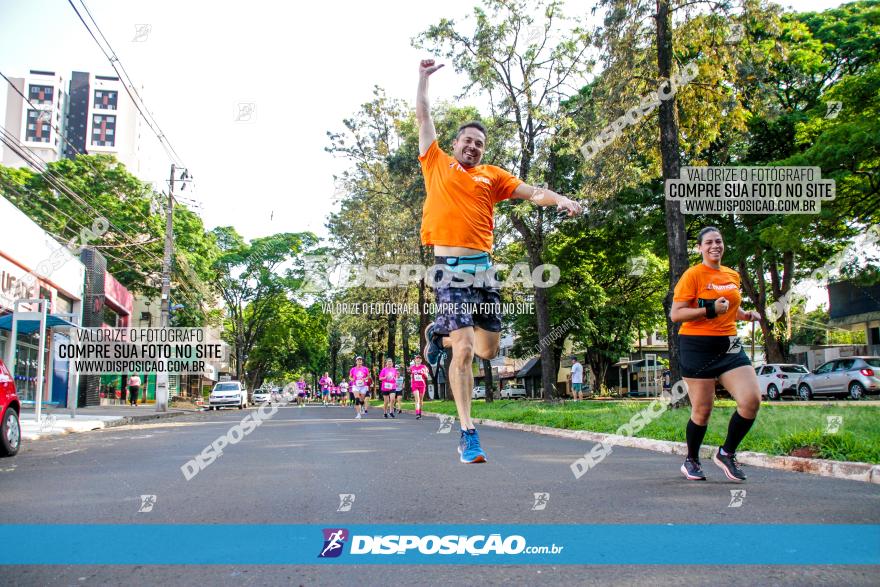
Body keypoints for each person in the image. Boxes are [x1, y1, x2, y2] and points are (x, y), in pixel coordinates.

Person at [416, 59, 582, 463]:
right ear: (455, 144)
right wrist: (422, 79)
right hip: (450, 272)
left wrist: (559, 199)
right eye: (467, 140)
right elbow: (423, 115)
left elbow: (531, 191)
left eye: (479, 143)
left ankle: (437, 336)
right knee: (467, 350)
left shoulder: (493, 176)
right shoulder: (436, 163)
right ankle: (468, 433)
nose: (472, 146)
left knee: (489, 350)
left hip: (485, 272)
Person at [670, 226, 762, 482]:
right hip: (697, 346)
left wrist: (744, 315)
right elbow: (676, 314)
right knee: (702, 410)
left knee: (751, 400)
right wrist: (709, 309)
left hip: (728, 345)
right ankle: (691, 460)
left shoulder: (732, 275)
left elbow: (731, 306)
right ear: (700, 248)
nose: (715, 246)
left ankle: (726, 452)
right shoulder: (693, 275)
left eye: (718, 241)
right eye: (709, 242)